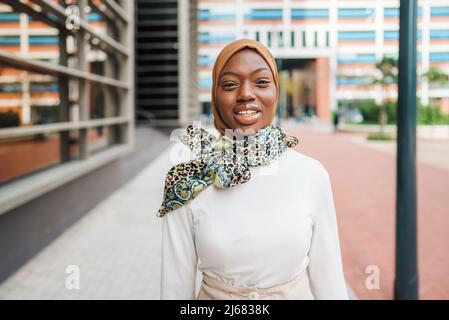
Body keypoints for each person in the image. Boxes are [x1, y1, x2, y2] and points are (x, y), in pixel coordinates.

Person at [158, 39, 348, 300]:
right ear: (215, 95)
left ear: (276, 92)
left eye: (261, 82)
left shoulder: (312, 175)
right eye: (230, 84)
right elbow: (174, 289)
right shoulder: (189, 181)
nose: (246, 93)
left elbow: (330, 283)